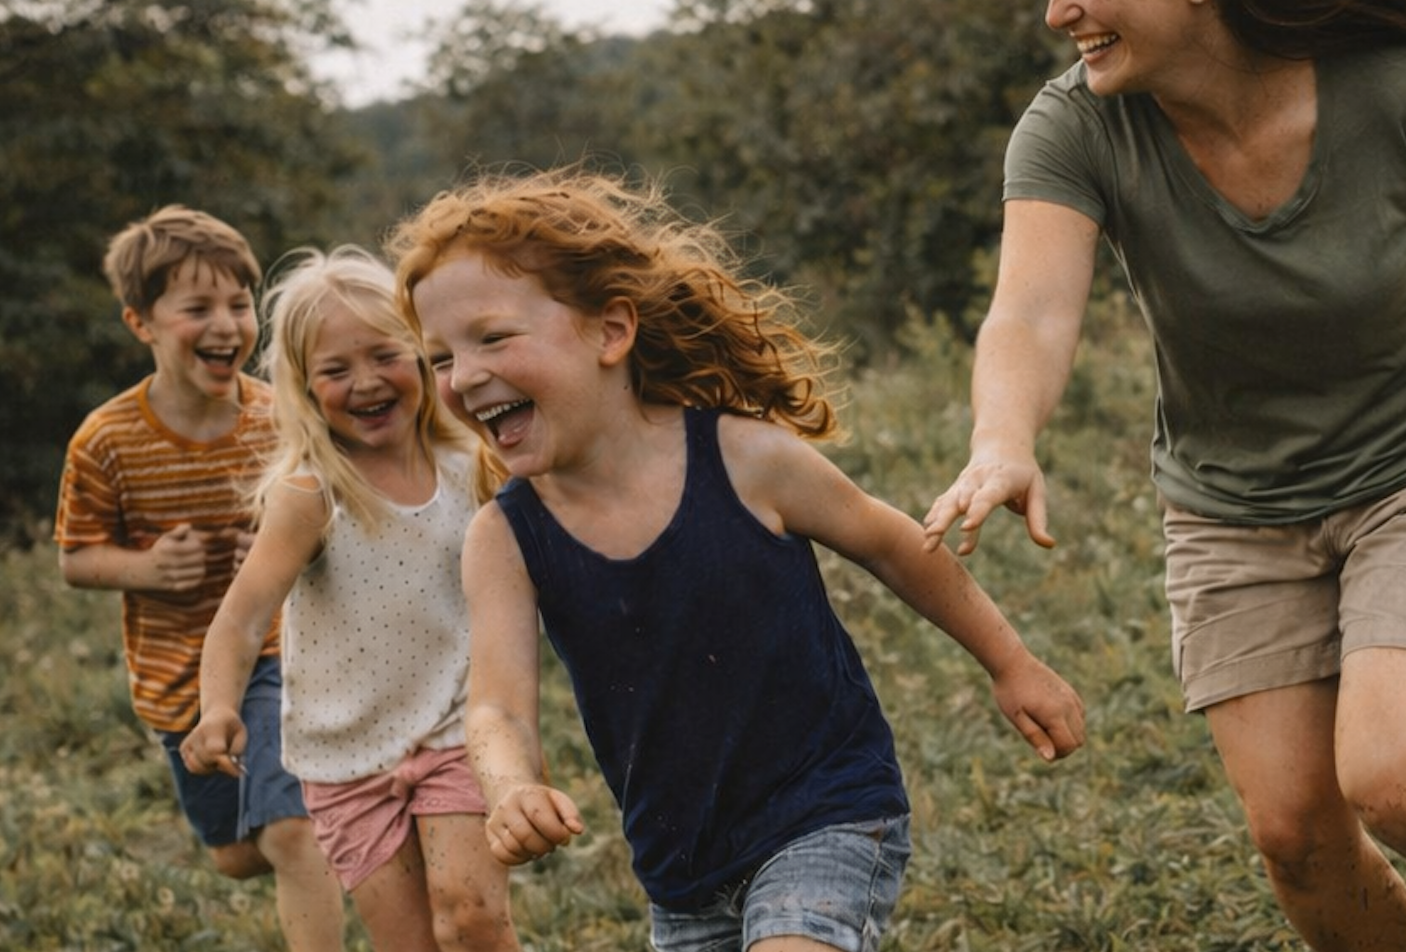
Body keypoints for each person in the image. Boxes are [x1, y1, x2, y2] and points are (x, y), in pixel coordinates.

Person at [920, 0, 1406, 949]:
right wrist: (1002, 438)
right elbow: (1029, 313)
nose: (1057, 12)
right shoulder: (1075, 125)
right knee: (1295, 836)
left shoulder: (1401, 90)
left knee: (1401, 784)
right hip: (1234, 503)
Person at [390, 168, 1088, 952]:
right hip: (682, 873)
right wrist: (509, 785)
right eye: (440, 358)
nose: (465, 376)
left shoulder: (746, 459)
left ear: (610, 331)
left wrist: (1011, 662)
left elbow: (893, 547)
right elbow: (498, 708)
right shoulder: (505, 538)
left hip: (827, 810)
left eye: (493, 337)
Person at [179, 246, 521, 952]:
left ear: (423, 355)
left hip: (457, 732)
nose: (366, 381)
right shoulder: (313, 495)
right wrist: (217, 707)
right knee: (412, 943)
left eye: (385, 355)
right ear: (305, 388)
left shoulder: (475, 466)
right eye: (336, 370)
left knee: (472, 920)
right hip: (344, 761)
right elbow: (242, 620)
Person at [54, 206, 344, 948]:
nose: (227, 324)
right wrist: (143, 568)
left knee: (289, 834)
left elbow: (336, 516)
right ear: (140, 322)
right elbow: (77, 556)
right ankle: (331, 829)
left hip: (278, 654)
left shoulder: (281, 418)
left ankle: (321, 838)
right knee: (234, 856)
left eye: (239, 304)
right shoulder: (106, 439)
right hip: (174, 677)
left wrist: (291, 540)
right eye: (198, 308)